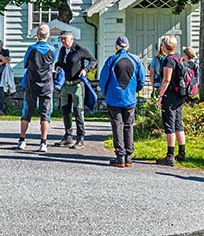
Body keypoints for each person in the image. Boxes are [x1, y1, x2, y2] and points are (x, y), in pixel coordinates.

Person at [99, 35, 144, 167]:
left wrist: (106, 93)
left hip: (114, 98)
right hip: (130, 98)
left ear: (116, 47)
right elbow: (141, 78)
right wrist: (137, 89)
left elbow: (103, 80)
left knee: (117, 125)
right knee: (129, 125)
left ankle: (120, 155)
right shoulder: (135, 60)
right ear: (128, 46)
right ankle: (129, 156)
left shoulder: (112, 60)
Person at [17, 25, 55, 152]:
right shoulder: (52, 49)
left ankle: (22, 140)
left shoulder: (32, 48)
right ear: (47, 35)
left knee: (27, 112)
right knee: (45, 114)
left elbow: (25, 63)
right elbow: (52, 63)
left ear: (37, 35)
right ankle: (43, 142)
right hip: (47, 85)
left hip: (32, 84)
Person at [56, 31, 96, 148]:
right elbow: (59, 62)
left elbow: (93, 60)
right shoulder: (63, 50)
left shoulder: (79, 49)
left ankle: (80, 139)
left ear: (72, 39)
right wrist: (57, 67)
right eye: (62, 39)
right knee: (65, 110)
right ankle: (68, 136)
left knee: (78, 111)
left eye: (65, 39)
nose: (63, 41)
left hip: (77, 84)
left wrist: (86, 70)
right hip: (65, 84)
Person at [154, 34, 187, 166]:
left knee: (169, 125)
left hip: (170, 95)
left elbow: (166, 79)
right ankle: (182, 153)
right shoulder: (179, 57)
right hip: (180, 95)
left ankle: (169, 156)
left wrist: (160, 95)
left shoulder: (169, 60)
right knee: (178, 123)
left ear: (164, 46)